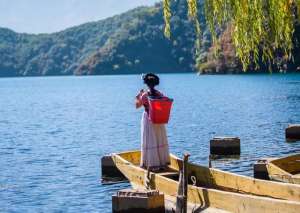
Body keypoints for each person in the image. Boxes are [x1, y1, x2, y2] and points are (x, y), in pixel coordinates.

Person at [135, 73, 170, 170]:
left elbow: (137, 106)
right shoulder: (160, 94)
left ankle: (152, 164)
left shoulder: (145, 95)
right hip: (158, 119)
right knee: (158, 139)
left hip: (149, 119)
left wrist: (138, 96)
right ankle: (162, 163)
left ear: (146, 84)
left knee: (150, 140)